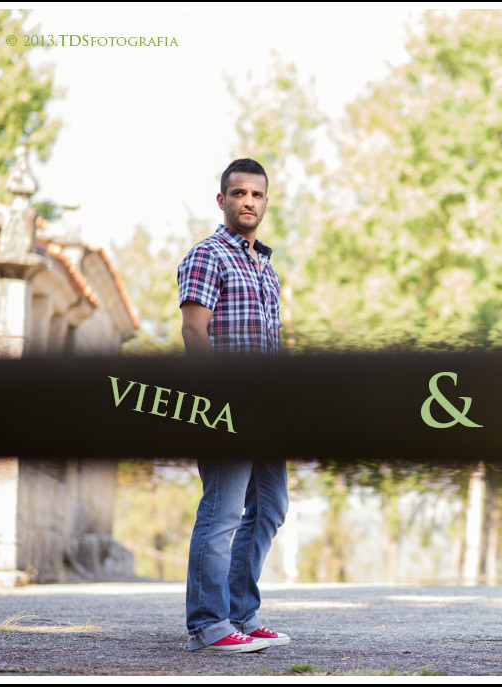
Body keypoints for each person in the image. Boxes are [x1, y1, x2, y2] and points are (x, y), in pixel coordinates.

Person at [178, 158, 290, 653]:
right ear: (222, 201)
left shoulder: (266, 268)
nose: (249, 202)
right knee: (222, 512)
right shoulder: (208, 256)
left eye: (257, 195)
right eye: (239, 193)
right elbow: (192, 329)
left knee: (268, 509)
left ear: (265, 203)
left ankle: (240, 614)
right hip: (225, 408)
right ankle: (207, 624)